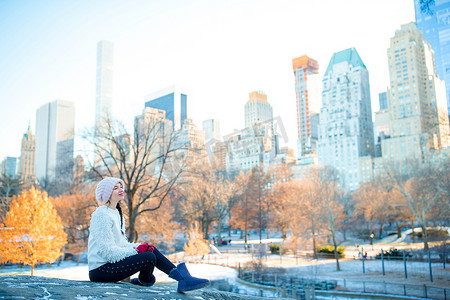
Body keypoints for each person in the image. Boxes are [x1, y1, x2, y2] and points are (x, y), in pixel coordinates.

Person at [88, 177, 210, 292]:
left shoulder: (117, 213)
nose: (121, 189)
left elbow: (122, 245)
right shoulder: (101, 214)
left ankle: (181, 278)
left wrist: (139, 247)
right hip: (100, 270)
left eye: (121, 186)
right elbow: (109, 253)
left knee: (150, 249)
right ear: (107, 194)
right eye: (115, 188)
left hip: (111, 265)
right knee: (148, 257)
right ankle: (158, 280)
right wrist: (137, 251)